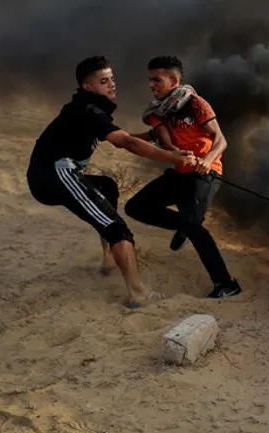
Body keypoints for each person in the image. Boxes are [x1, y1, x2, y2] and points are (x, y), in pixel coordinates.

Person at [26, 55, 197, 308]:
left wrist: (151, 136)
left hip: (51, 175)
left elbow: (123, 136)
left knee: (107, 187)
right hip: (54, 175)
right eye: (104, 81)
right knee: (118, 229)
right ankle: (138, 294)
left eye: (112, 79)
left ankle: (108, 259)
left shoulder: (87, 108)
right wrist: (172, 157)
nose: (112, 85)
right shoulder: (89, 111)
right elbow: (125, 143)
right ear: (87, 86)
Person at [125, 55, 241, 299]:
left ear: (174, 80)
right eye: (150, 80)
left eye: (157, 80)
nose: (151, 85)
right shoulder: (158, 112)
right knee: (135, 207)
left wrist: (207, 162)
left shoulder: (195, 104)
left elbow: (221, 140)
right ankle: (184, 226)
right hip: (179, 172)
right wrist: (120, 138)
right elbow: (154, 136)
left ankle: (226, 284)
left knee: (194, 226)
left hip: (205, 175)